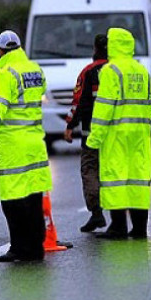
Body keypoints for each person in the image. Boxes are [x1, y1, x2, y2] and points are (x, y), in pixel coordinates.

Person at [0, 30, 52, 262]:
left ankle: (18, 248)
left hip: (14, 147)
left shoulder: (4, 74)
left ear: (0, 51)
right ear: (19, 46)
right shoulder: (35, 69)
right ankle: (36, 249)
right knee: (34, 198)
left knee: (12, 201)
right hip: (35, 143)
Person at [86, 28, 151, 239]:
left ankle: (118, 226)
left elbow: (103, 108)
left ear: (113, 45)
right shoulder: (141, 70)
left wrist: (94, 138)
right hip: (140, 134)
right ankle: (140, 227)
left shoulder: (110, 71)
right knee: (137, 179)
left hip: (116, 134)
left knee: (116, 179)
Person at [64, 33, 108, 233]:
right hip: (116, 134)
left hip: (91, 133)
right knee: (114, 173)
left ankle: (96, 213)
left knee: (90, 170)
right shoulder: (118, 71)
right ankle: (121, 218)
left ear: (94, 50)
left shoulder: (88, 72)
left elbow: (79, 102)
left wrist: (70, 125)